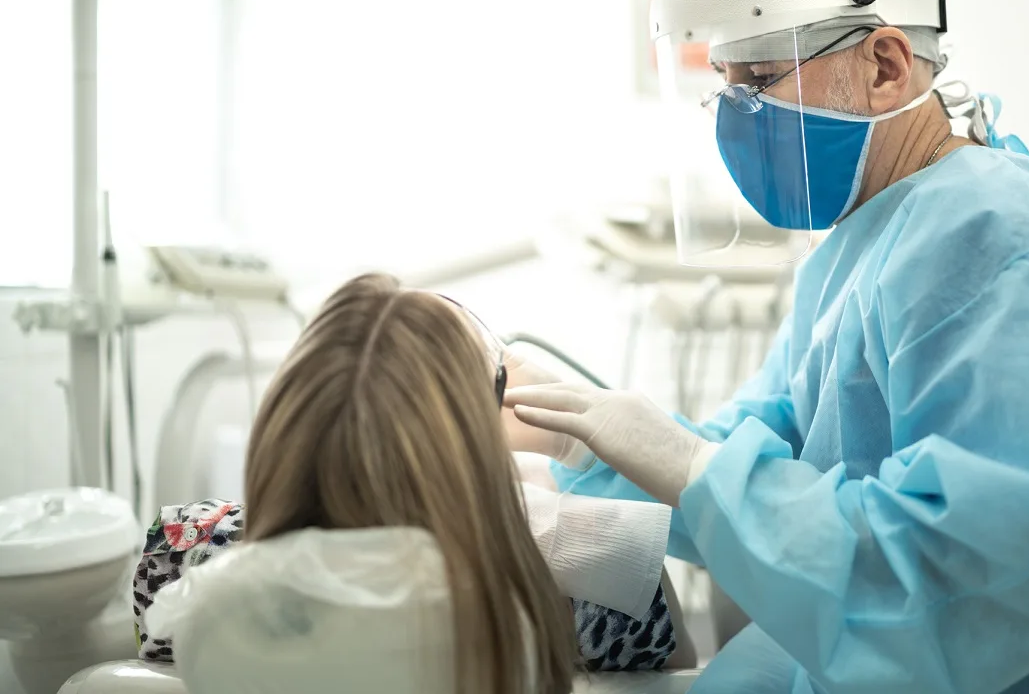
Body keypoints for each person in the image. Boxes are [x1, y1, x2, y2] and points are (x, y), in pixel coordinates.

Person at [502, 0, 1029, 693]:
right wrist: (582, 439)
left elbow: (973, 583)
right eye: (727, 91)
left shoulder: (986, 234)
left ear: (885, 64)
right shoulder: (861, 247)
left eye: (763, 82)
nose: (741, 116)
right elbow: (754, 459)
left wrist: (694, 467)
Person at [141, 273, 691, 694]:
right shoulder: (543, 601)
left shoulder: (191, 580)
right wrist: (565, 455)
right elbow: (679, 657)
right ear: (467, 443)